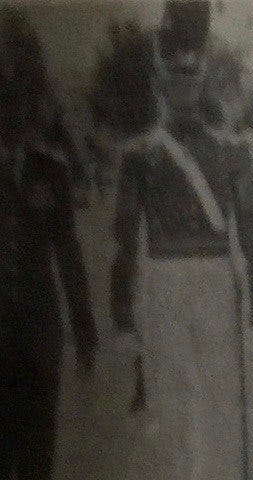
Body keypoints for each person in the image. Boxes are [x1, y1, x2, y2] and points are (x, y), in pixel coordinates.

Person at [107, 2, 253, 479]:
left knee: (222, 408)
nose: (181, 89)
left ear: (201, 81)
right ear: (160, 85)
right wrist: (122, 316)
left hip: (215, 284)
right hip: (164, 285)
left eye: (190, 78)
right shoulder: (140, 157)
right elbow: (123, 242)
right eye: (172, 80)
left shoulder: (231, 153)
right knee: (173, 409)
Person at [0, 7, 98, 479]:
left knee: (38, 465)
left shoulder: (51, 170)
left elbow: (69, 255)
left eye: (19, 98)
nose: (12, 112)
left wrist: (85, 330)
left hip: (39, 341)